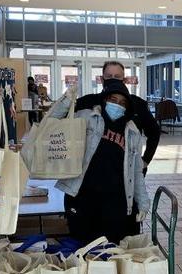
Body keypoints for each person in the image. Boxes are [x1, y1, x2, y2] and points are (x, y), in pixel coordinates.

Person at [51, 80, 150, 245]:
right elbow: (52, 124)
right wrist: (65, 101)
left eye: (122, 103)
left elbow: (136, 172)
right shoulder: (87, 118)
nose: (117, 105)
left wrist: (143, 203)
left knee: (112, 251)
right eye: (113, 100)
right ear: (104, 100)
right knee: (82, 248)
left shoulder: (133, 133)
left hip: (116, 204)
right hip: (83, 200)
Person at [75, 61, 160, 174]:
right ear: (102, 79)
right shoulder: (86, 102)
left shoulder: (137, 104)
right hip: (89, 172)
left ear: (124, 80)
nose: (113, 79)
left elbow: (154, 131)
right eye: (109, 76)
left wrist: (145, 161)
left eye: (117, 77)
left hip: (125, 174)